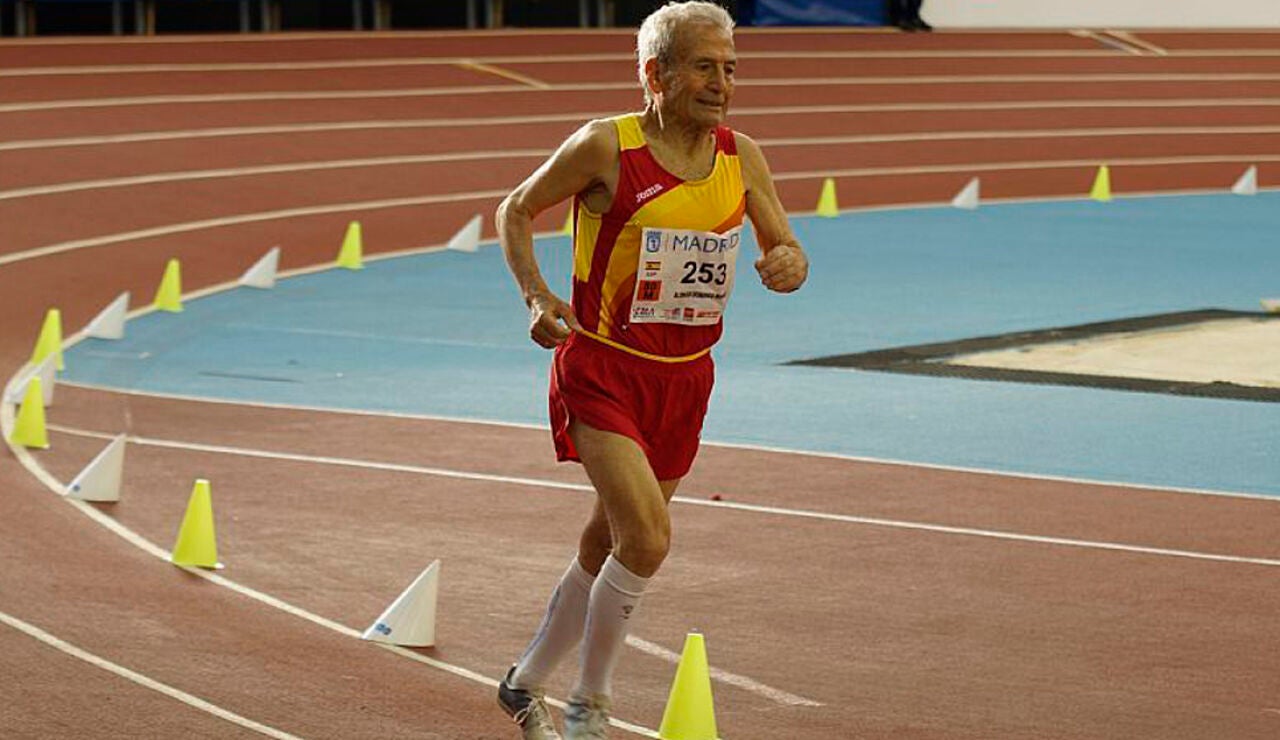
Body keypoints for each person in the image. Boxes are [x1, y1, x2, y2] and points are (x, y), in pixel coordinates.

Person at [493, 2, 808, 738]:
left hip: (686, 378)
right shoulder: (606, 147)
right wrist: (536, 297)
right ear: (654, 74)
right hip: (603, 370)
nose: (721, 83)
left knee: (608, 542)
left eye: (730, 68)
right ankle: (589, 707)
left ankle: (524, 682)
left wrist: (789, 262)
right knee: (649, 540)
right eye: (704, 66)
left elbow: (783, 244)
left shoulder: (741, 155)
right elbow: (516, 208)